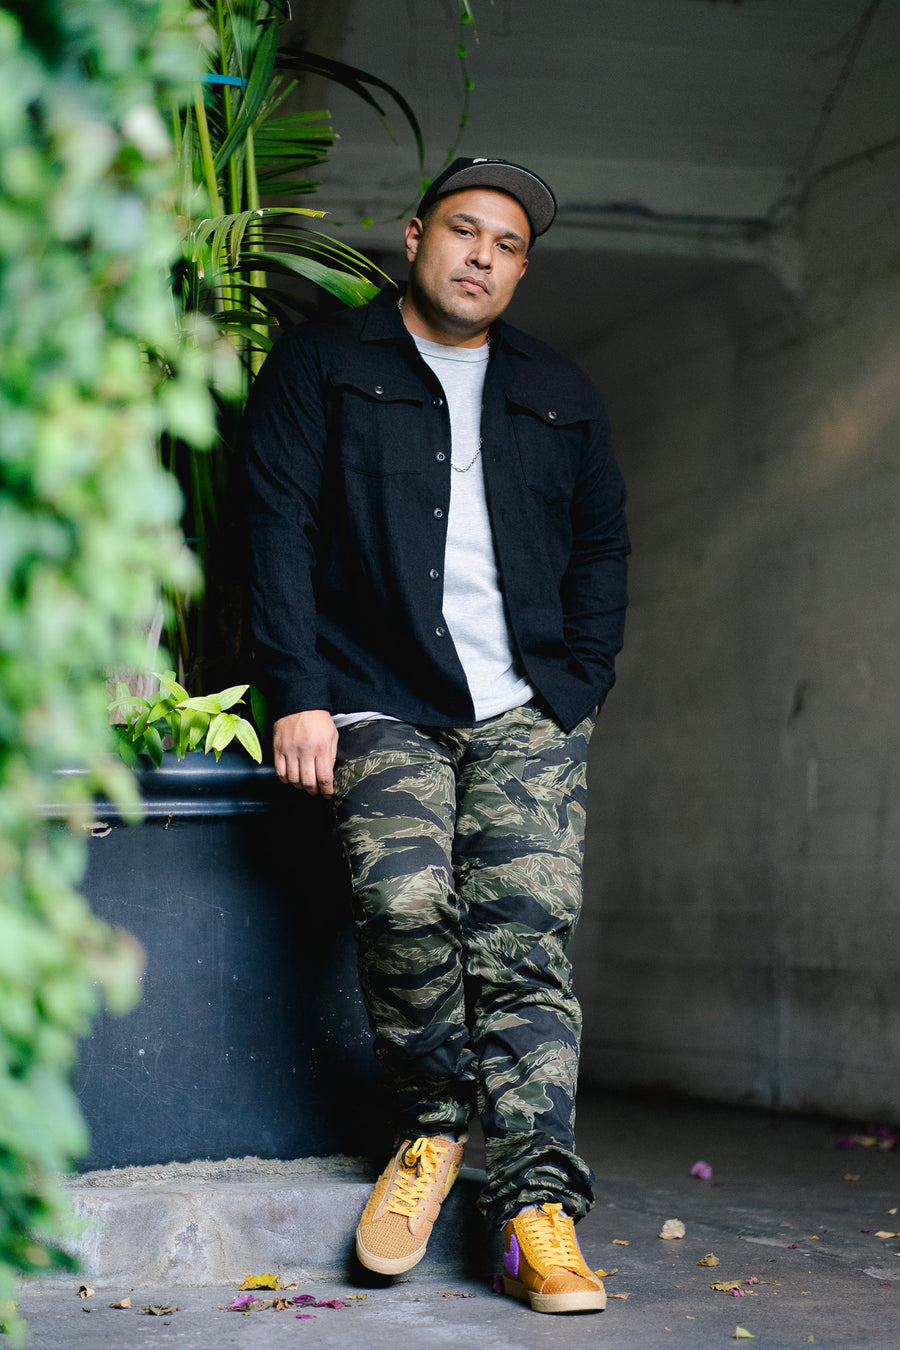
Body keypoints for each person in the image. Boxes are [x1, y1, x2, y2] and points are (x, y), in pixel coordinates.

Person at [244, 157, 629, 1315]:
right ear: (415, 237)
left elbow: (602, 547)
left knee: (526, 946)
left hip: (525, 708)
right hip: (375, 693)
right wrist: (295, 691)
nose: (484, 258)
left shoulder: (559, 390)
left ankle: (535, 1211)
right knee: (407, 903)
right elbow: (274, 527)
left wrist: (582, 681)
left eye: (509, 246)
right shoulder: (325, 366)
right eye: (466, 231)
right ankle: (433, 1128)